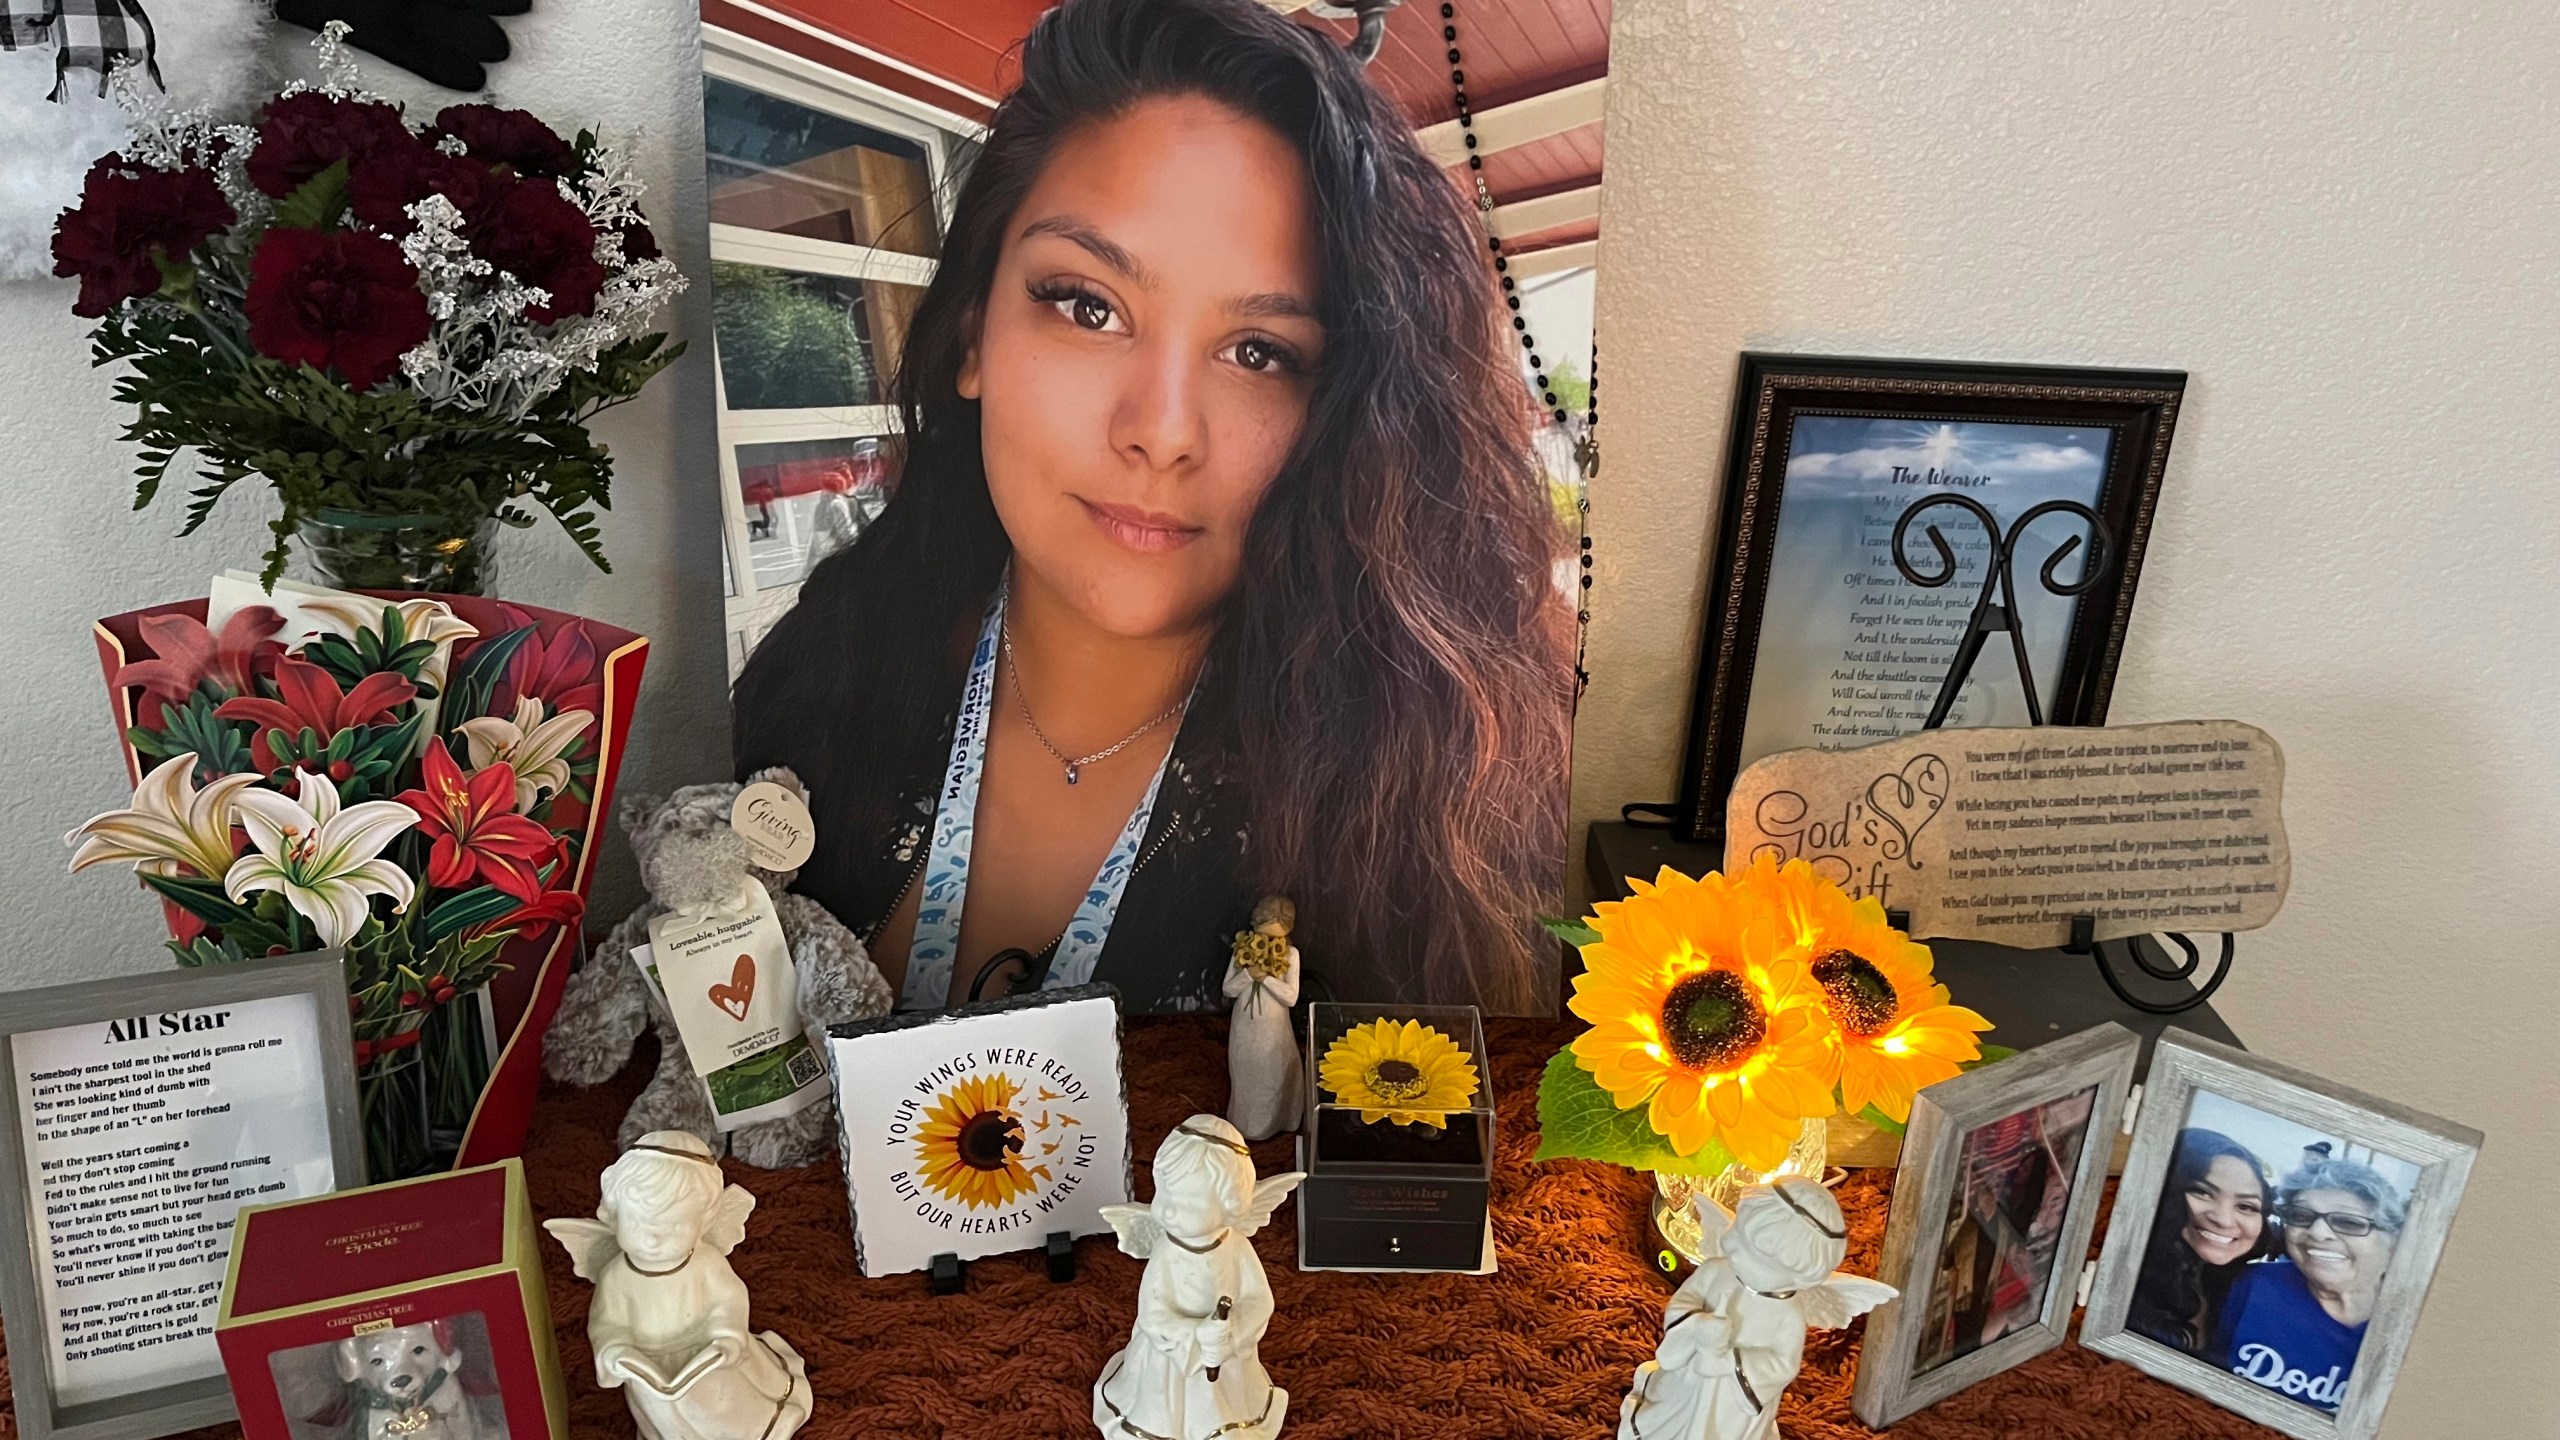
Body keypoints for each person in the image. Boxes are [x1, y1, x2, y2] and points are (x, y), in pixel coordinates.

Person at [731, 0, 1572, 1015]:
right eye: (1088, 305)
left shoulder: (1424, 813)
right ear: (968, 338)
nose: (1163, 430)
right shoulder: (827, 674)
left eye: (1259, 352)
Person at [2213, 1157, 2405, 1412]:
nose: (2317, 1232)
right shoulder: (2255, 1284)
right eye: (2301, 1216)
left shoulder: (2408, 1325)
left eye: (2348, 1222)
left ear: (2392, 1241)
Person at [2125, 1129, 2277, 1356]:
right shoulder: (2126, 1284)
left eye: (2246, 1206)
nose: (2223, 1220)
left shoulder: (2235, 1290)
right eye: (2202, 1192)